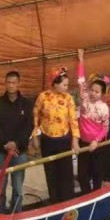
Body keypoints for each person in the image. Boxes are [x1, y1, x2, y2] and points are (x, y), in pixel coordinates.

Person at [31, 66, 80, 204]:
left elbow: (73, 120)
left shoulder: (68, 98)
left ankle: (68, 201)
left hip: (64, 139)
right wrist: (35, 136)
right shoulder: (43, 97)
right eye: (64, 85)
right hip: (47, 140)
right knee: (50, 171)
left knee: (66, 172)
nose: (66, 87)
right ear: (55, 84)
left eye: (67, 85)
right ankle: (54, 200)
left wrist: (75, 140)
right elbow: (35, 115)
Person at [0, 70, 33, 214]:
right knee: (0, 186)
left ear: (18, 84)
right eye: (8, 82)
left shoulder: (26, 104)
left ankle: (16, 212)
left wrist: (16, 143)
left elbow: (29, 126)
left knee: (18, 186)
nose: (11, 85)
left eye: (14, 83)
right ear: (5, 83)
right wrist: (6, 144)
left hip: (19, 152)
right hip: (1, 152)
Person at [76, 49, 110, 194]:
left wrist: (96, 141)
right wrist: (81, 60)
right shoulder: (84, 97)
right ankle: (86, 195)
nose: (93, 93)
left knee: (97, 174)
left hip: (97, 144)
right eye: (92, 90)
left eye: (97, 92)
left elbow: (105, 128)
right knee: (82, 175)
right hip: (83, 142)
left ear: (102, 94)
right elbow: (81, 79)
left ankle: (96, 195)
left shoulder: (104, 108)